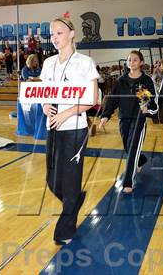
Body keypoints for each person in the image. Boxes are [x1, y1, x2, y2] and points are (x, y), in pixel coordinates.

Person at [40, 15, 99, 245]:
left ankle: (64, 231)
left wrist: (66, 113)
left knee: (71, 180)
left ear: (72, 34)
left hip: (75, 129)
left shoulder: (85, 63)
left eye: (59, 32)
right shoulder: (48, 64)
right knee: (53, 180)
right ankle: (74, 200)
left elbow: (92, 99)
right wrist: (46, 106)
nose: (54, 37)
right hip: (53, 128)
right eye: (52, 34)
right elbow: (44, 94)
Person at [100, 50, 158, 193]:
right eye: (129, 60)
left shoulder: (146, 81)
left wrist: (148, 109)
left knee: (132, 150)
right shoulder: (121, 81)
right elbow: (113, 99)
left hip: (139, 120)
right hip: (123, 119)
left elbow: (153, 104)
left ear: (141, 63)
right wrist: (105, 115)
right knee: (128, 147)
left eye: (135, 60)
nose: (131, 62)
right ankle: (141, 160)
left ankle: (128, 182)